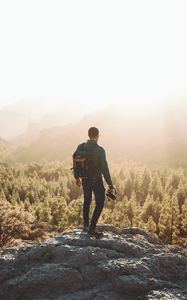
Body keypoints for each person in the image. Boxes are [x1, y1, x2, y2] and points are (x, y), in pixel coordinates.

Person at [73, 127, 114, 237]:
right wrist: (110, 184)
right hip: (96, 180)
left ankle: (86, 225)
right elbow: (104, 168)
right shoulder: (100, 150)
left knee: (87, 200)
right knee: (100, 203)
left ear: (88, 135)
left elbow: (76, 163)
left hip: (85, 179)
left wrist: (77, 178)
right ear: (98, 136)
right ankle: (92, 229)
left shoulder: (80, 147)